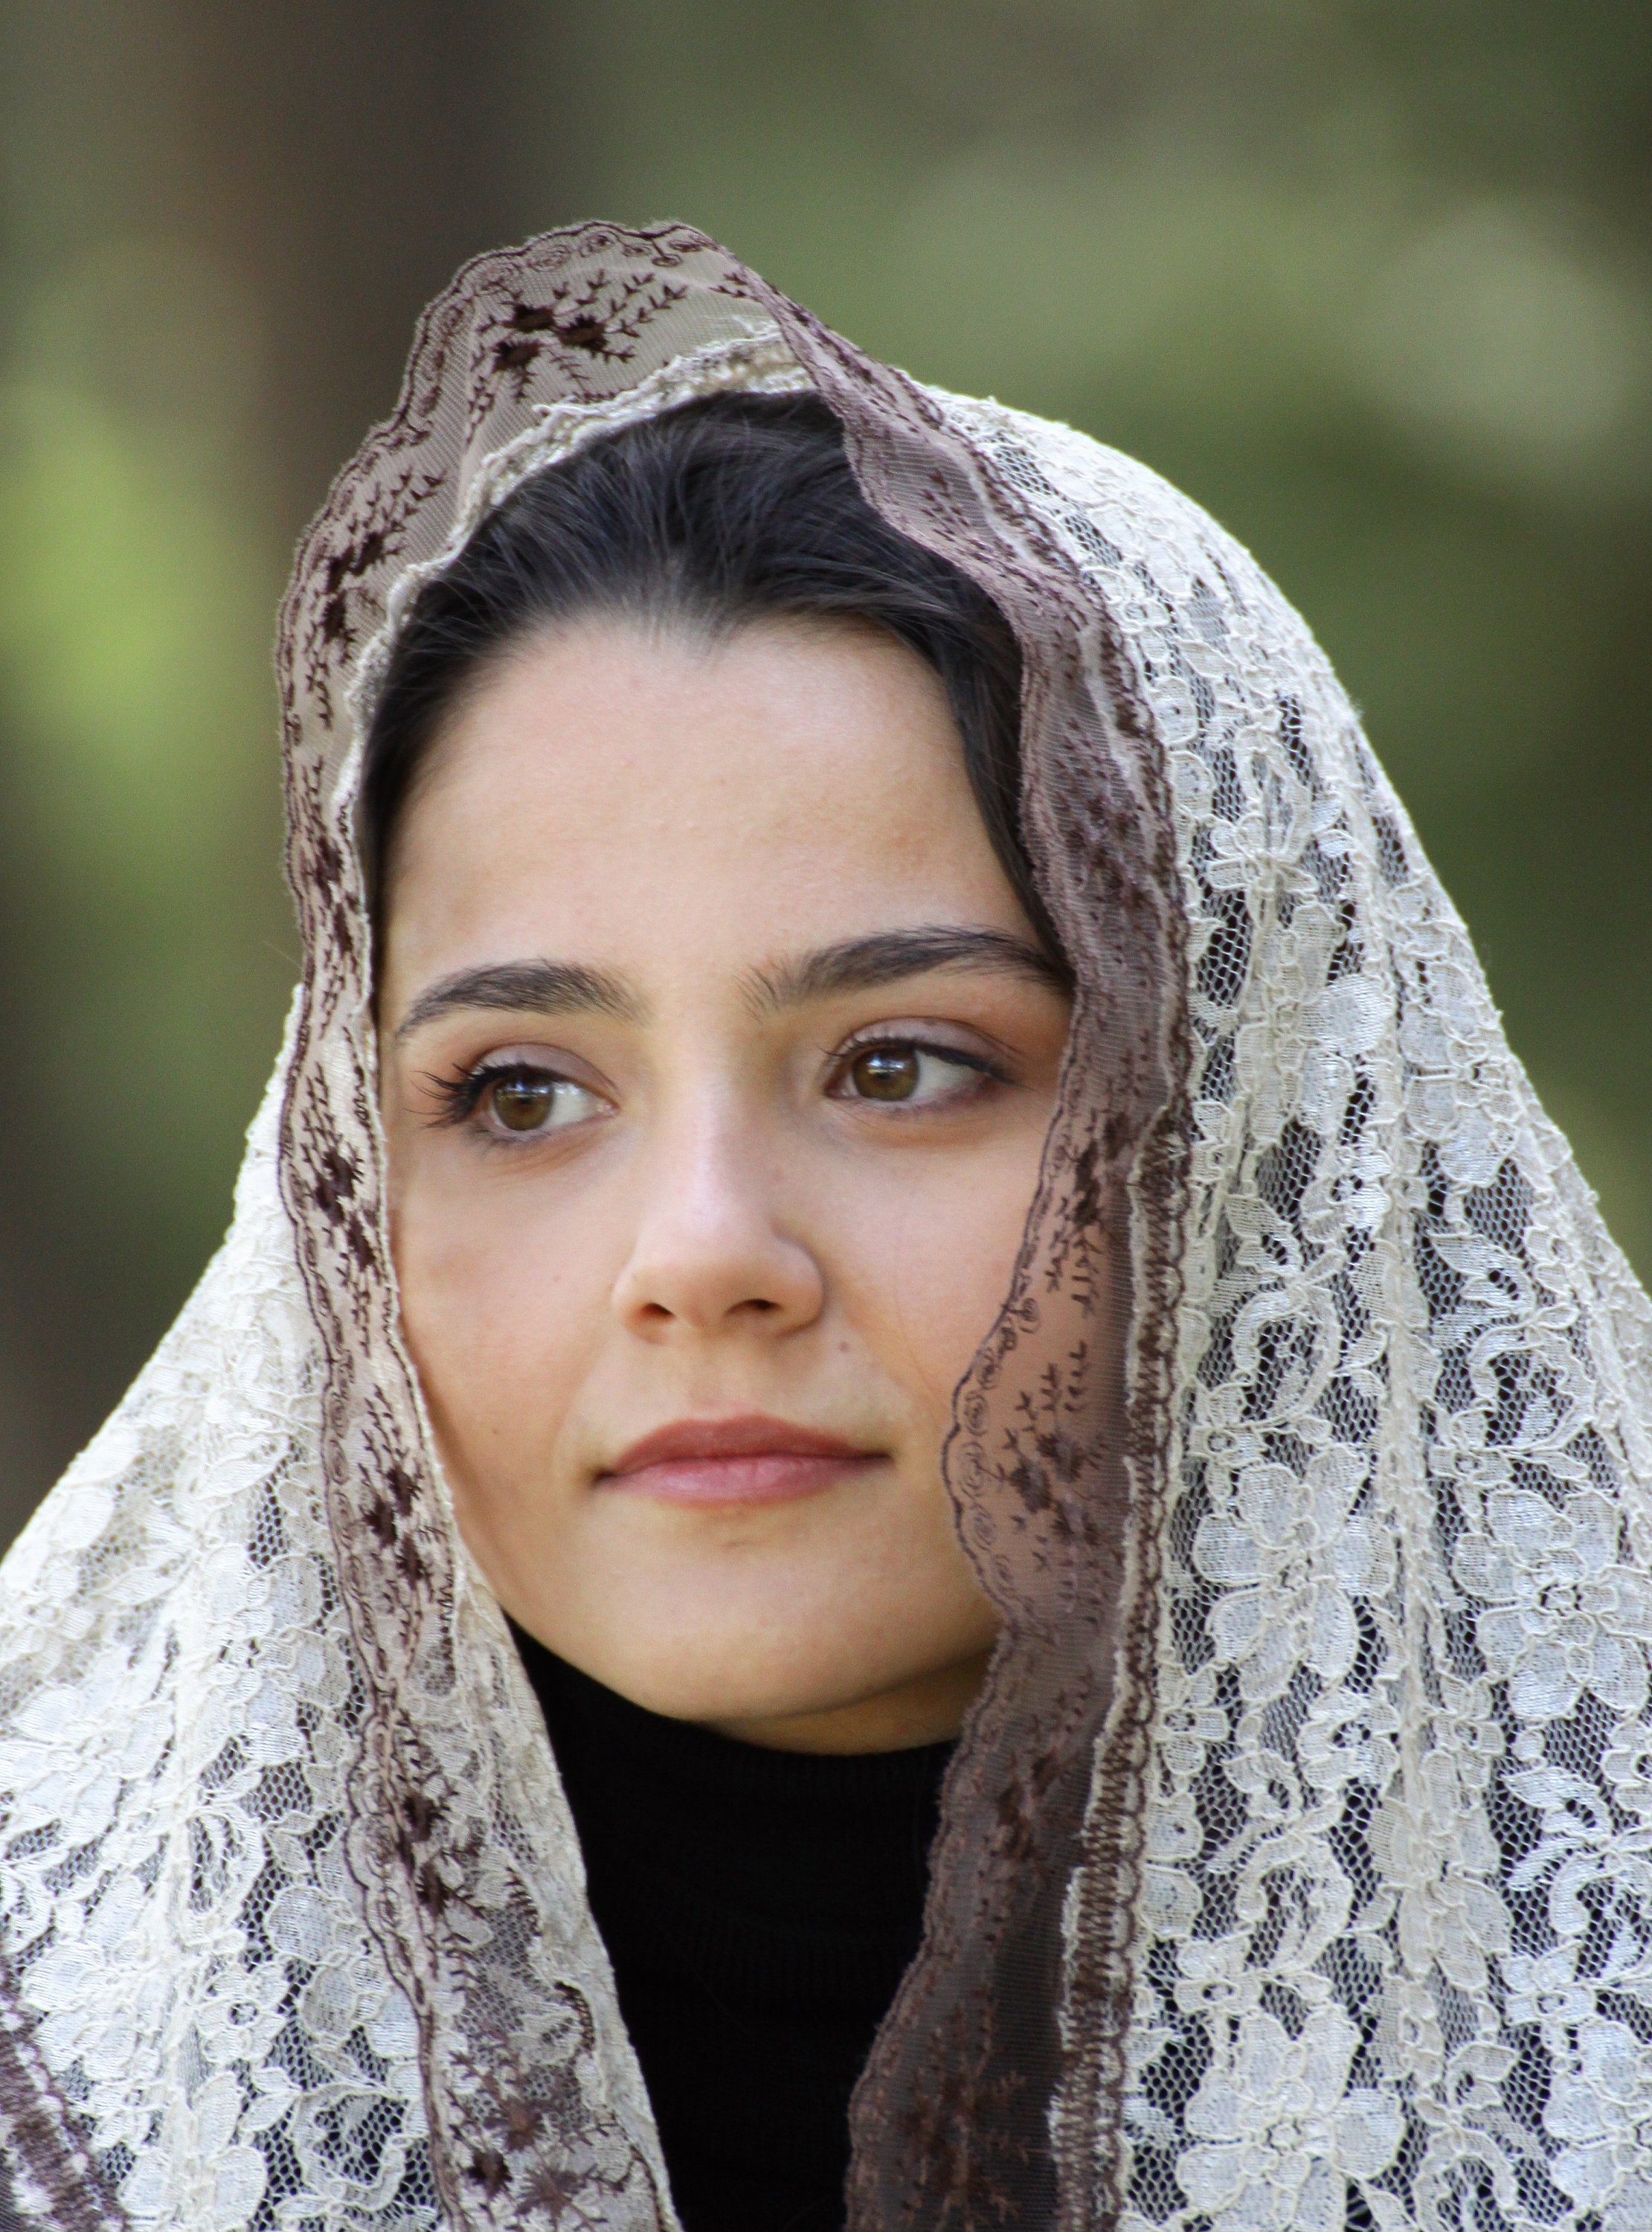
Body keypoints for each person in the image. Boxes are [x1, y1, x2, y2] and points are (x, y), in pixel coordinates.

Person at [0, 222, 1648, 2232]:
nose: (699, 1255)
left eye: (900, 1065)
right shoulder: (80, 2087)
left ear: (1253, 1118)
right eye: (519, 1093)